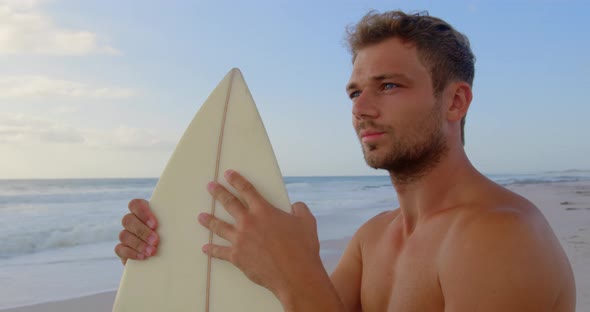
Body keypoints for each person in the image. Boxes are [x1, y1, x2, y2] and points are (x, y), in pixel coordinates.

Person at [115, 10, 576, 311]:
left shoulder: (499, 236)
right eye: (355, 91)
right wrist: (171, 261)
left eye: (389, 86)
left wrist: (296, 272)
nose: (361, 108)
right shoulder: (373, 239)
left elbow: (303, 294)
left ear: (455, 102)